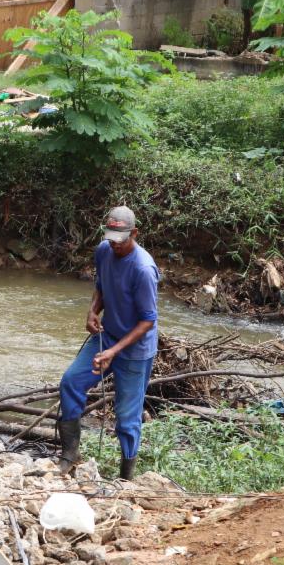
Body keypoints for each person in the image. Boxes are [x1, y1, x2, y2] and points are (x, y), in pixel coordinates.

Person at [57, 206, 159, 481]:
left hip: (134, 351)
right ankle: (69, 455)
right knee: (71, 382)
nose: (114, 244)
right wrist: (93, 311)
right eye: (111, 237)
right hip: (108, 335)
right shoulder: (104, 251)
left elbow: (148, 320)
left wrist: (113, 352)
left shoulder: (143, 269)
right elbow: (101, 287)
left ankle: (126, 478)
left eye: (120, 239)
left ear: (134, 234)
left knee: (127, 418)